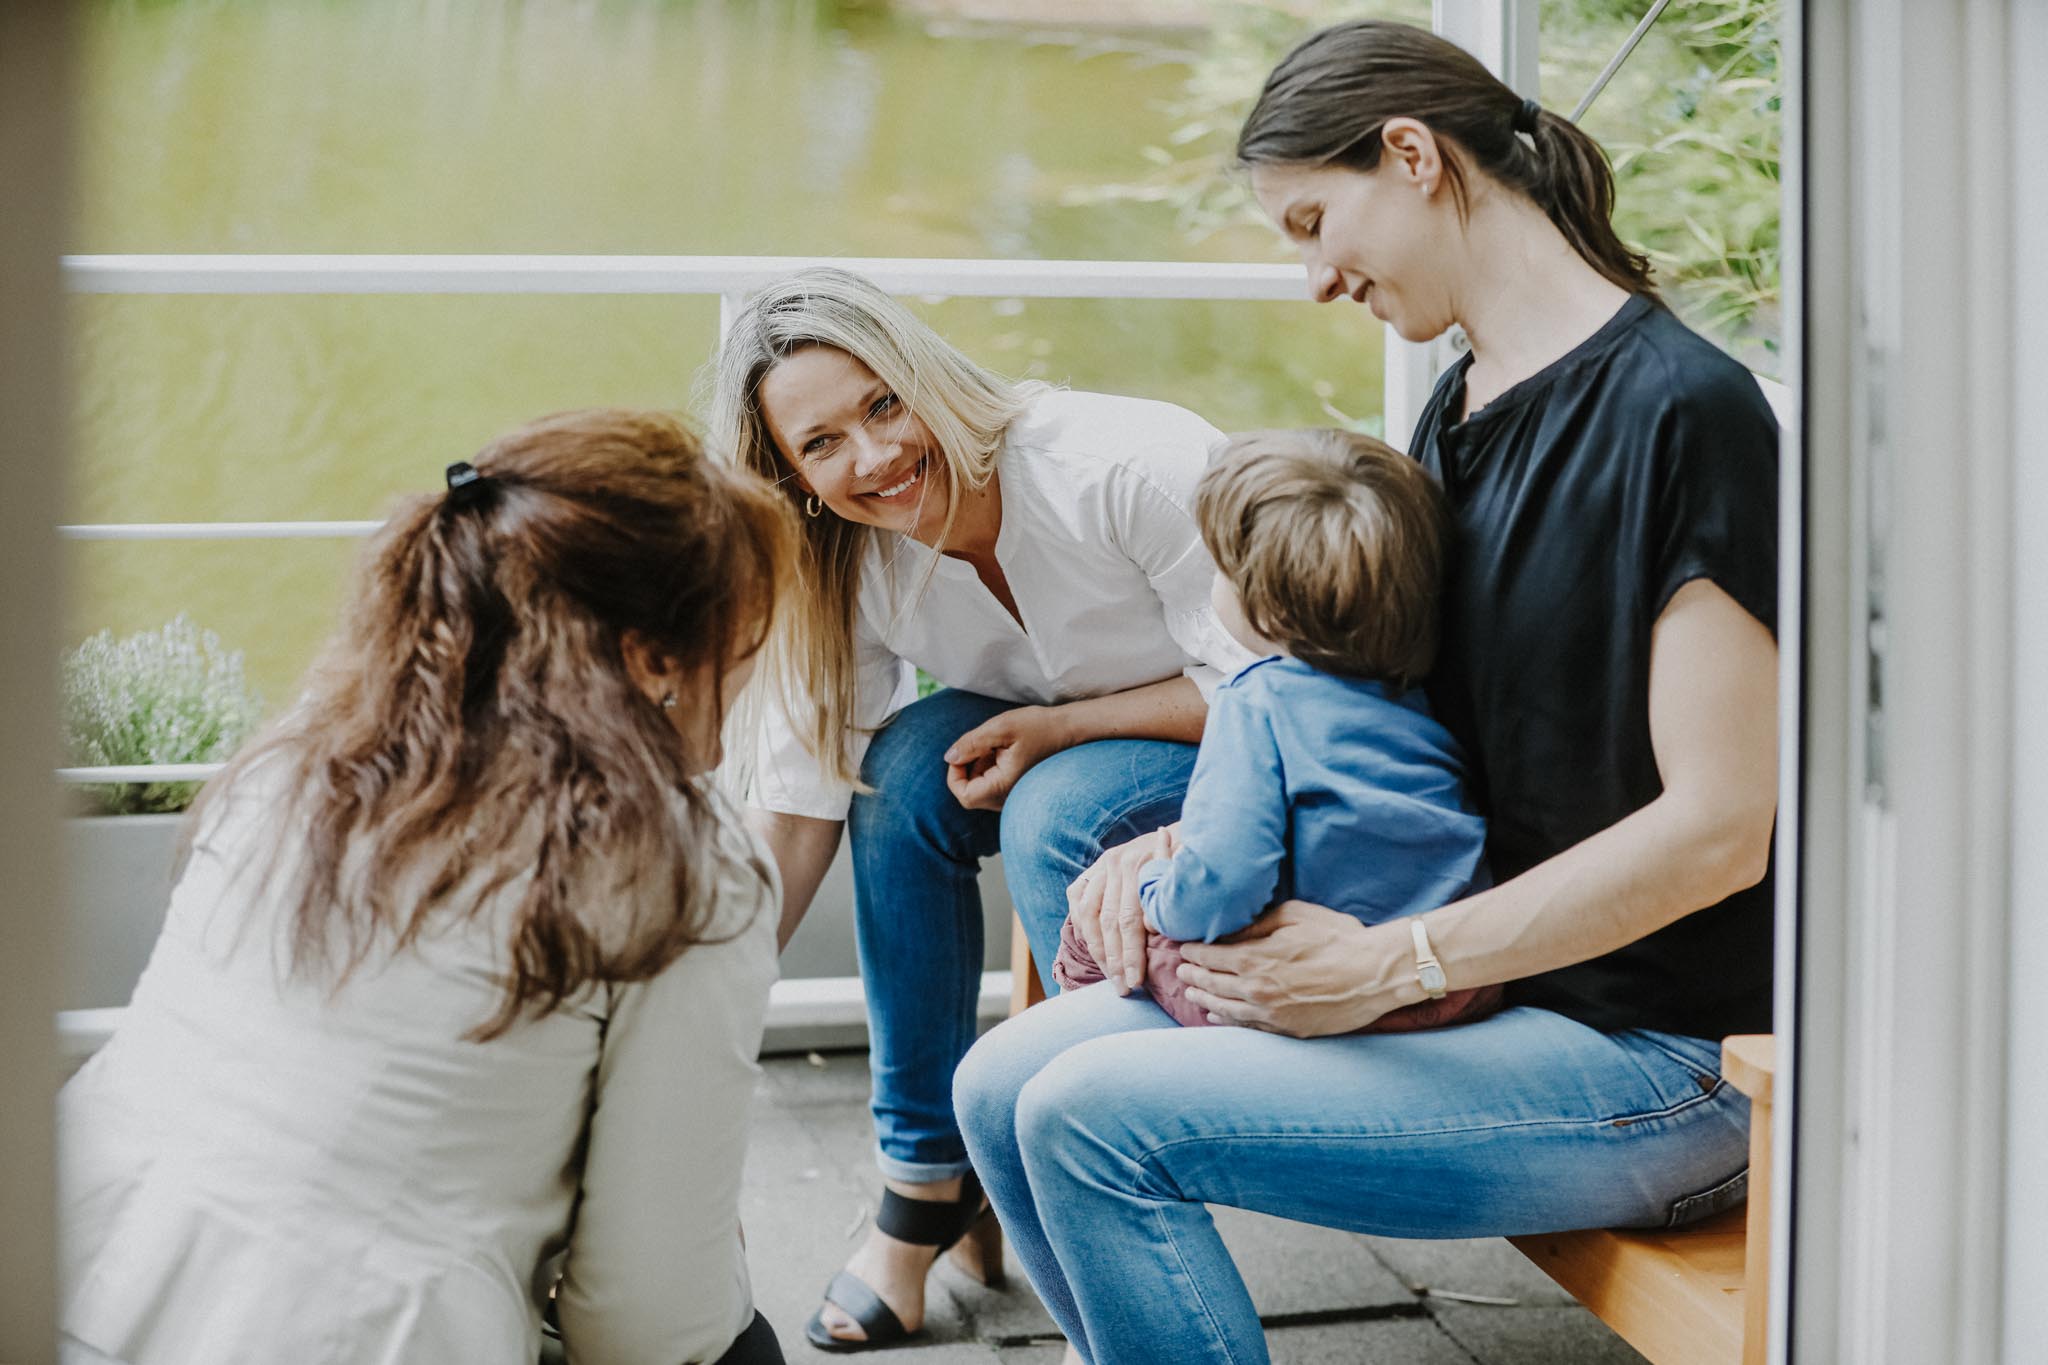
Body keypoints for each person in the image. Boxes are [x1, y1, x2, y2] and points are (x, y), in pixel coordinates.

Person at [954, 19, 1781, 1365]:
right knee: (998, 1083)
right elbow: (1391, 734)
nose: (1311, 279)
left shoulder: (1688, 415)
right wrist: (1179, 844)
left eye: (1312, 221)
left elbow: (1722, 828)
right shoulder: (1457, 410)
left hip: (1656, 1057)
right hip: (1487, 984)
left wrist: (1394, 960)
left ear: (1412, 157)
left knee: (1088, 1117)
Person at [58, 410, 798, 1365]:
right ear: (653, 655)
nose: (749, 675)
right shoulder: (681, 863)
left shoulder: (293, 763)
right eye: (743, 645)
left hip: (78, 1262)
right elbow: (651, 1328)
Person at [709, 266, 1256, 1350]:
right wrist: (712, 993)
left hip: (1241, 741)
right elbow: (805, 796)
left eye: (881, 404)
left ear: (928, 375)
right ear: (794, 478)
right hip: (1065, 738)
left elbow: (1271, 685)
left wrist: (1063, 728)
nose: (871, 458)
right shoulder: (841, 560)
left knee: (1048, 806)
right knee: (899, 777)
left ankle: (1108, 1172)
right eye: (820, 446)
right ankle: (923, 1177)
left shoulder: (1127, 465)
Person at [1050, 428, 1494, 1031]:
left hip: (1327, 989)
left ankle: (1101, 1053)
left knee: (1092, 923)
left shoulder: (1256, 699)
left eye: (1221, 569)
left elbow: (1222, 886)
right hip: (1455, 983)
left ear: (1268, 608)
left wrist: (1155, 885)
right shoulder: (1415, 687)